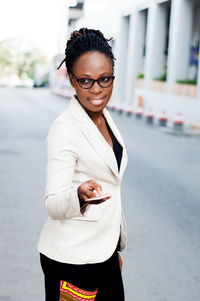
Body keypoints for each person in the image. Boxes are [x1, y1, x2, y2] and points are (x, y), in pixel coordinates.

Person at [38, 28, 128, 301]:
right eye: (86, 81)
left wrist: (110, 253)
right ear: (73, 81)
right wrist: (78, 195)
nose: (97, 89)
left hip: (103, 254)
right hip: (73, 261)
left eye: (105, 79)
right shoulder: (65, 129)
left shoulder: (104, 117)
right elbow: (53, 203)